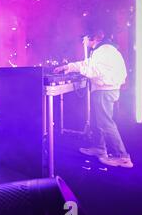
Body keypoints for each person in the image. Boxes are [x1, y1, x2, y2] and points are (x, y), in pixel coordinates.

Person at [54, 30, 132, 168]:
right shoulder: (102, 50)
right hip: (105, 88)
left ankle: (123, 157)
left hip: (105, 90)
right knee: (98, 121)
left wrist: (81, 71)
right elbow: (87, 64)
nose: (83, 42)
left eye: (84, 39)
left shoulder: (104, 51)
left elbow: (94, 70)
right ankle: (99, 148)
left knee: (106, 123)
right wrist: (69, 67)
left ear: (93, 38)